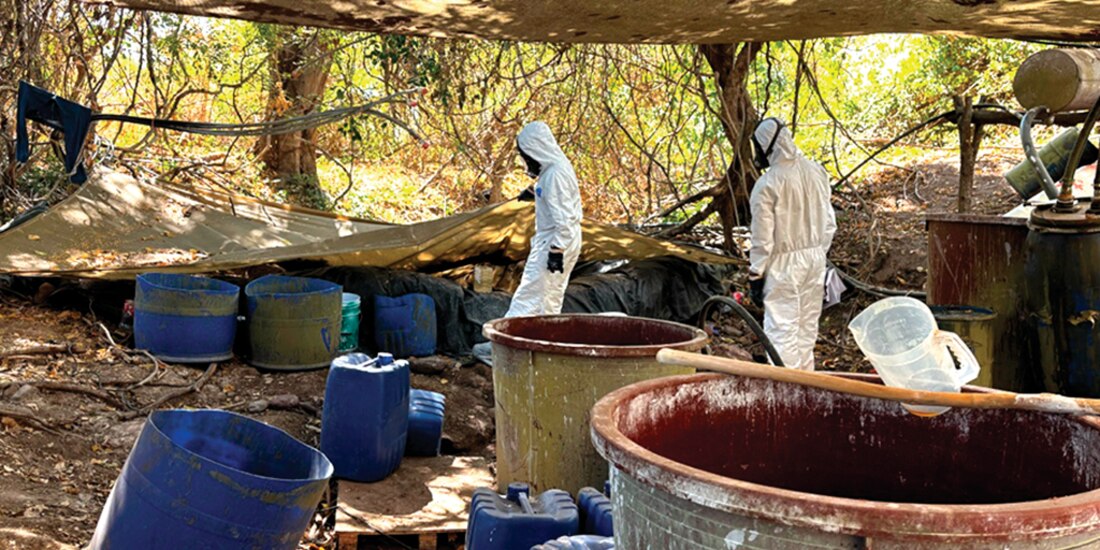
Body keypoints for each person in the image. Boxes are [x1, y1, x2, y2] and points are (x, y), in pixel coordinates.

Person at [747, 117, 836, 371]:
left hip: (783, 266)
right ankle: (805, 387)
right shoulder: (816, 171)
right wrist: (817, 252)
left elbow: (763, 239)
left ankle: (786, 389)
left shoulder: (768, 184)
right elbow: (829, 223)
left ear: (767, 146)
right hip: (815, 261)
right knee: (806, 330)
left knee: (781, 333)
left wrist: (756, 274)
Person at [503, 121, 584, 317]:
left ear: (536, 150)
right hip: (560, 240)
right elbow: (554, 193)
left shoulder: (555, 175)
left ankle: (508, 333)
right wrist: (534, 192)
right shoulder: (555, 168)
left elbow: (565, 219)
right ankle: (546, 332)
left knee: (530, 295)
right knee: (549, 297)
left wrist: (557, 250)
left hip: (555, 241)